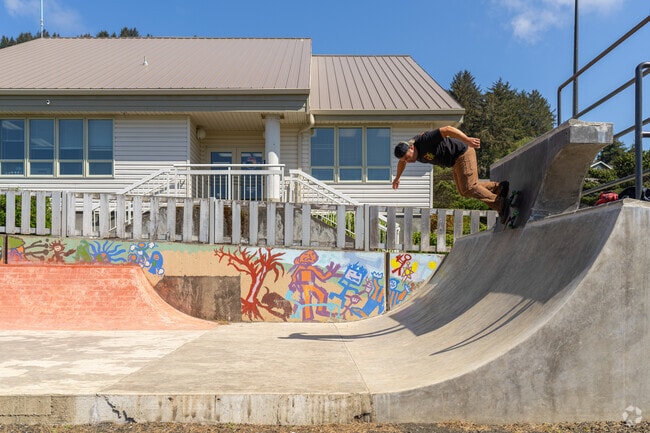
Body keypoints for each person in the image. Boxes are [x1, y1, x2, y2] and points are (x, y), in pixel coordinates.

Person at [392, 125, 510, 222]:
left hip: (463, 153)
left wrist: (467, 140)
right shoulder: (410, 154)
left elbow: (447, 129)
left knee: (469, 187)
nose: (409, 161)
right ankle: (499, 187)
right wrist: (397, 178)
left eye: (408, 157)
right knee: (463, 191)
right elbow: (401, 163)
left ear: (411, 148)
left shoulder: (424, 140)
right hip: (455, 161)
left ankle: (501, 204)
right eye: (406, 160)